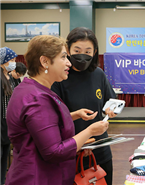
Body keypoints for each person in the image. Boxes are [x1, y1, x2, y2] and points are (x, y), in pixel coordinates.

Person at [5, 35, 109, 185]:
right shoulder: (37, 98)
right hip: (38, 178)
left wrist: (74, 118)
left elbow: (42, 126)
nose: (68, 63)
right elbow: (54, 152)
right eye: (63, 57)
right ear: (45, 61)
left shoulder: (33, 89)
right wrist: (90, 132)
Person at [51, 27, 116, 185]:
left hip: (100, 151)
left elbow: (110, 100)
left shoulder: (98, 74)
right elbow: (54, 117)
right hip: (71, 151)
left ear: (94, 52)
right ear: (67, 49)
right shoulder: (60, 76)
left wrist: (110, 109)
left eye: (88, 51)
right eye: (77, 50)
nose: (82, 55)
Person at [0, 47, 17, 185]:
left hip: (7, 123)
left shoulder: (9, 77)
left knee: (4, 158)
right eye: (11, 60)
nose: (14, 63)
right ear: (3, 61)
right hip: (0, 122)